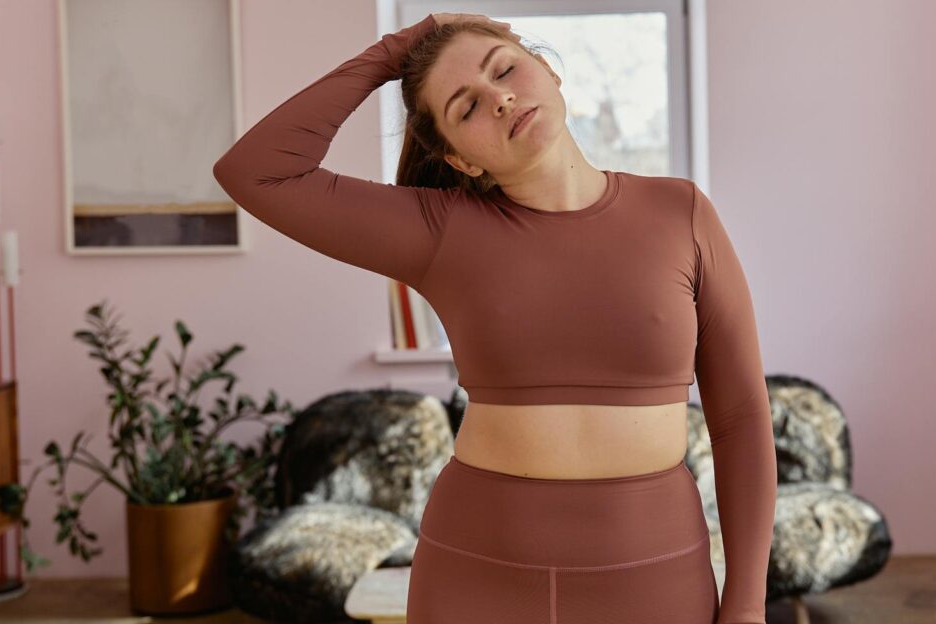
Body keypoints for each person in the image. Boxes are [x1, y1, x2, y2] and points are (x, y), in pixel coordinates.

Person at [212, 12, 776, 624]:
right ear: (460, 160)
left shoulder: (680, 211)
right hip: (478, 574)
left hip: (655, 576)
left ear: (550, 72)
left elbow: (741, 417)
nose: (500, 98)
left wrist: (747, 603)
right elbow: (256, 171)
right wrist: (390, 52)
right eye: (467, 107)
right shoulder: (439, 230)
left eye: (504, 70)